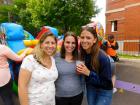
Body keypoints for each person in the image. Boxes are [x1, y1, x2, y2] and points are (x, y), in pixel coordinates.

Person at [18, 32, 58, 105]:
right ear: (41, 45)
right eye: (47, 42)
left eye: (53, 43)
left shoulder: (53, 60)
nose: (50, 45)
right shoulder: (30, 60)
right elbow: (22, 86)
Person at [76, 26, 113, 105]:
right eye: (82, 37)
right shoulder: (82, 54)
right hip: (91, 87)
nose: (84, 40)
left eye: (88, 38)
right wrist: (82, 73)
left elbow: (107, 83)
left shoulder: (102, 57)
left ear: (94, 40)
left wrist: (89, 73)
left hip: (104, 90)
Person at [55, 31, 83, 105]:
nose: (70, 45)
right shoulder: (55, 56)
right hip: (60, 97)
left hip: (77, 95)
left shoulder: (80, 55)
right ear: (63, 42)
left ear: (76, 44)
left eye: (73, 43)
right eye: (67, 42)